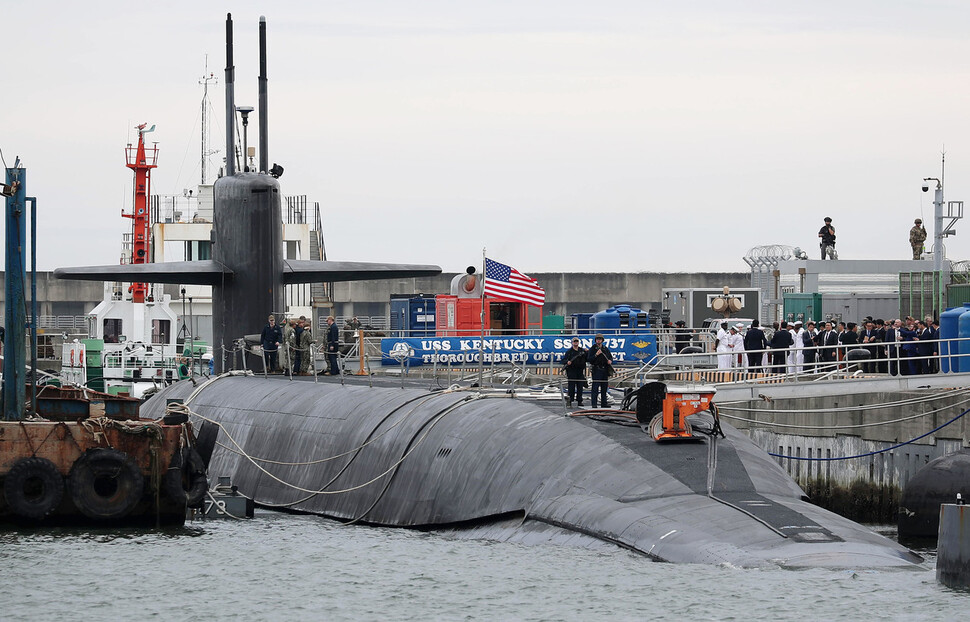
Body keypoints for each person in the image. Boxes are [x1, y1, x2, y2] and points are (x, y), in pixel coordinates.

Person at [586, 334, 613, 408]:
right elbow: (589, 359)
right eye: (597, 339)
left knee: (604, 387)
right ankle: (594, 404)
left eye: (600, 339)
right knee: (595, 388)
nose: (598, 340)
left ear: (602, 340)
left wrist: (610, 361)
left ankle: (604, 403)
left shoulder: (605, 348)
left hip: (604, 369)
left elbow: (610, 357)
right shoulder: (593, 349)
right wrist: (596, 355)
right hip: (597, 369)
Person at [562, 338, 587, 407]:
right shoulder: (569, 352)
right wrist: (567, 362)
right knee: (571, 387)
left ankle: (579, 400)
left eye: (577, 341)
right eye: (574, 341)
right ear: (572, 343)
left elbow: (587, 357)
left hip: (580, 371)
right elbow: (563, 360)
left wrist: (587, 351)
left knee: (580, 387)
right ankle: (570, 400)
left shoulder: (582, 350)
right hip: (571, 371)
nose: (575, 343)